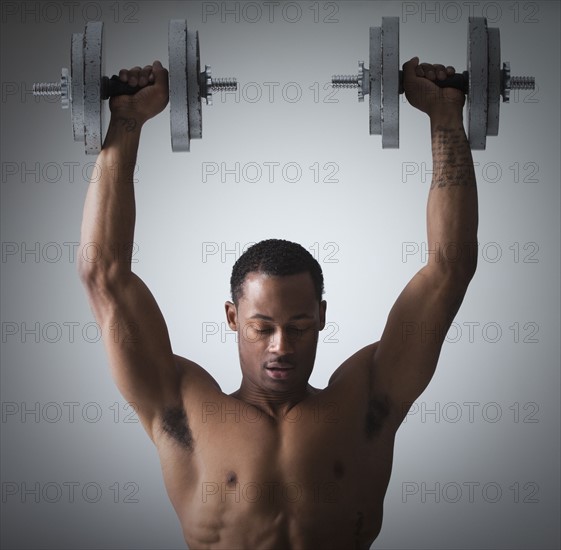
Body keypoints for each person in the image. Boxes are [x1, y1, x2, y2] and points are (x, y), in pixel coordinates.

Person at [78, 57, 478, 549]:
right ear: (232, 317)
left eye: (301, 324)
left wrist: (444, 116)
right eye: (262, 326)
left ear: (323, 318)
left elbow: (450, 267)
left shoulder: (366, 402)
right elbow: (104, 274)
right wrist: (126, 119)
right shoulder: (181, 408)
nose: (281, 346)